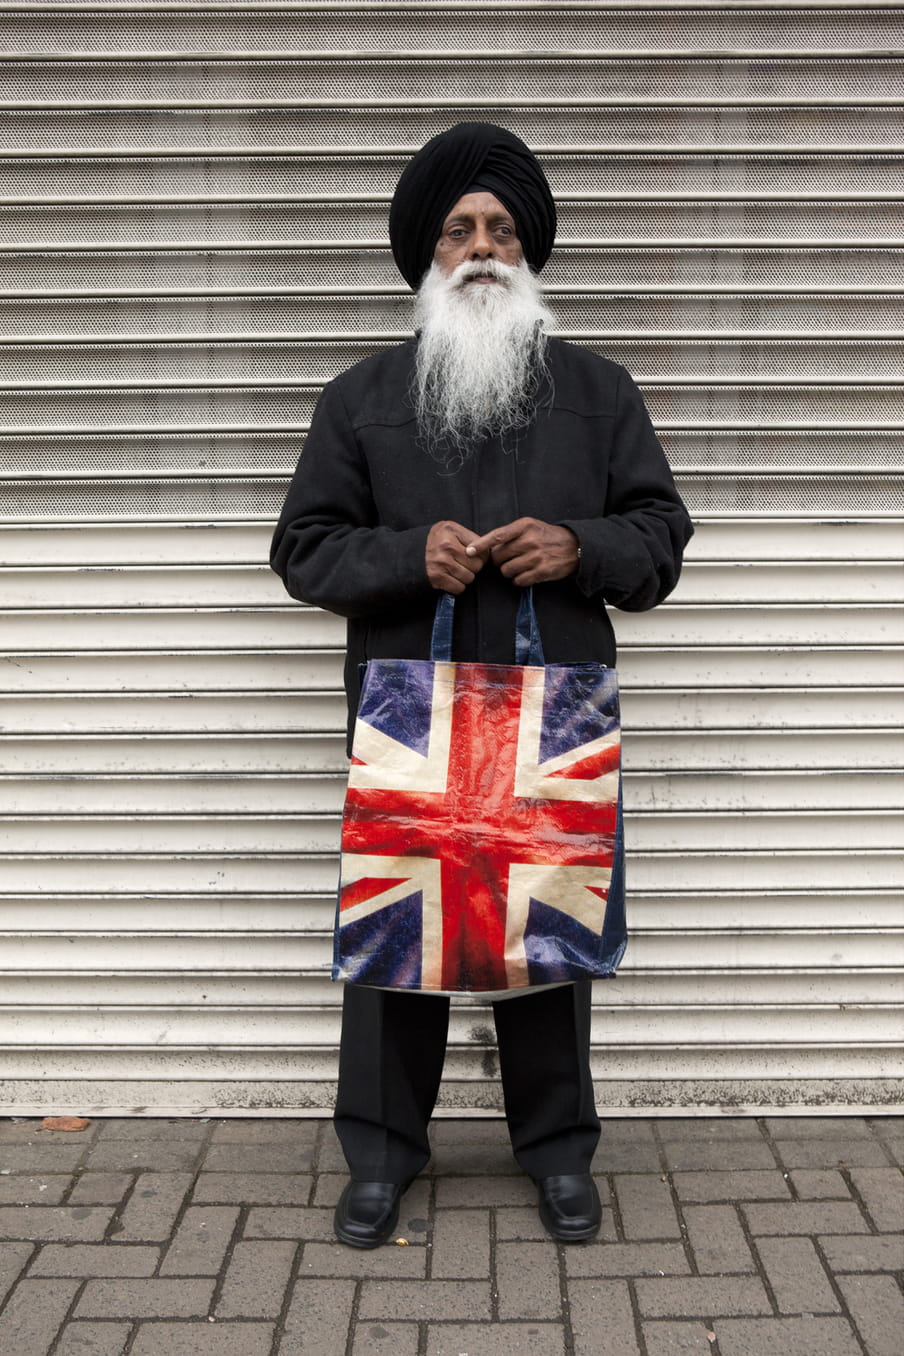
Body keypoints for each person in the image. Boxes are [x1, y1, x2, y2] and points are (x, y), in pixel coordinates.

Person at [271, 123, 693, 1248]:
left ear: (529, 250)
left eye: (501, 228)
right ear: (427, 254)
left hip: (554, 714)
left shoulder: (600, 393)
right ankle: (380, 1154)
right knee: (395, 938)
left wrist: (580, 546)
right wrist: (410, 555)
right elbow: (304, 549)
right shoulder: (359, 396)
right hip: (411, 716)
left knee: (547, 934)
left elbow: (660, 536)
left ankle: (557, 1154)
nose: (482, 247)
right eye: (459, 229)